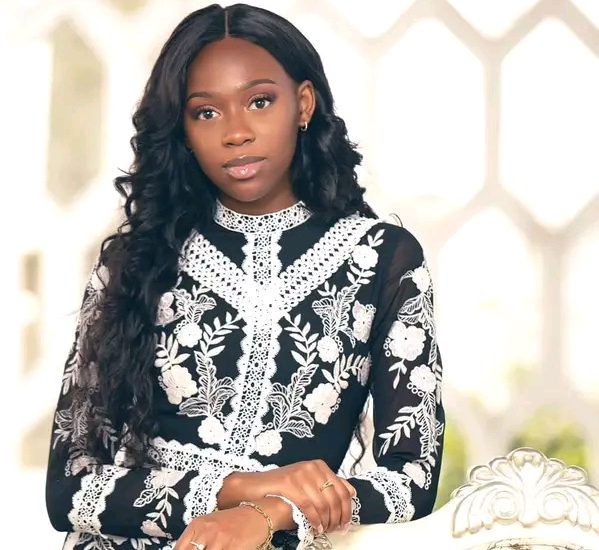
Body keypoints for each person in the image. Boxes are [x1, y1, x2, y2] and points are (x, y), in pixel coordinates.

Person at [44, 3, 445, 549]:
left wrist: (271, 512)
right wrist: (238, 489)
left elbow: (413, 481)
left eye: (260, 101)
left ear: (303, 104)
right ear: (183, 129)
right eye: (206, 112)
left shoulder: (383, 260)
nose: (235, 133)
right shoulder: (136, 262)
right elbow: (68, 488)